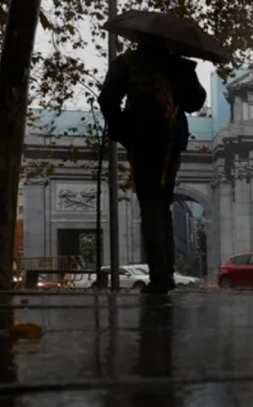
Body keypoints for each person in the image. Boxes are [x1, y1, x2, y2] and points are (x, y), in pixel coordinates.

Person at [98, 35, 207, 294]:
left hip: (141, 139)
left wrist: (121, 130)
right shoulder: (177, 66)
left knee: (149, 205)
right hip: (171, 140)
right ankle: (165, 274)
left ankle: (159, 277)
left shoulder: (127, 61)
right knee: (163, 205)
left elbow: (107, 99)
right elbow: (196, 102)